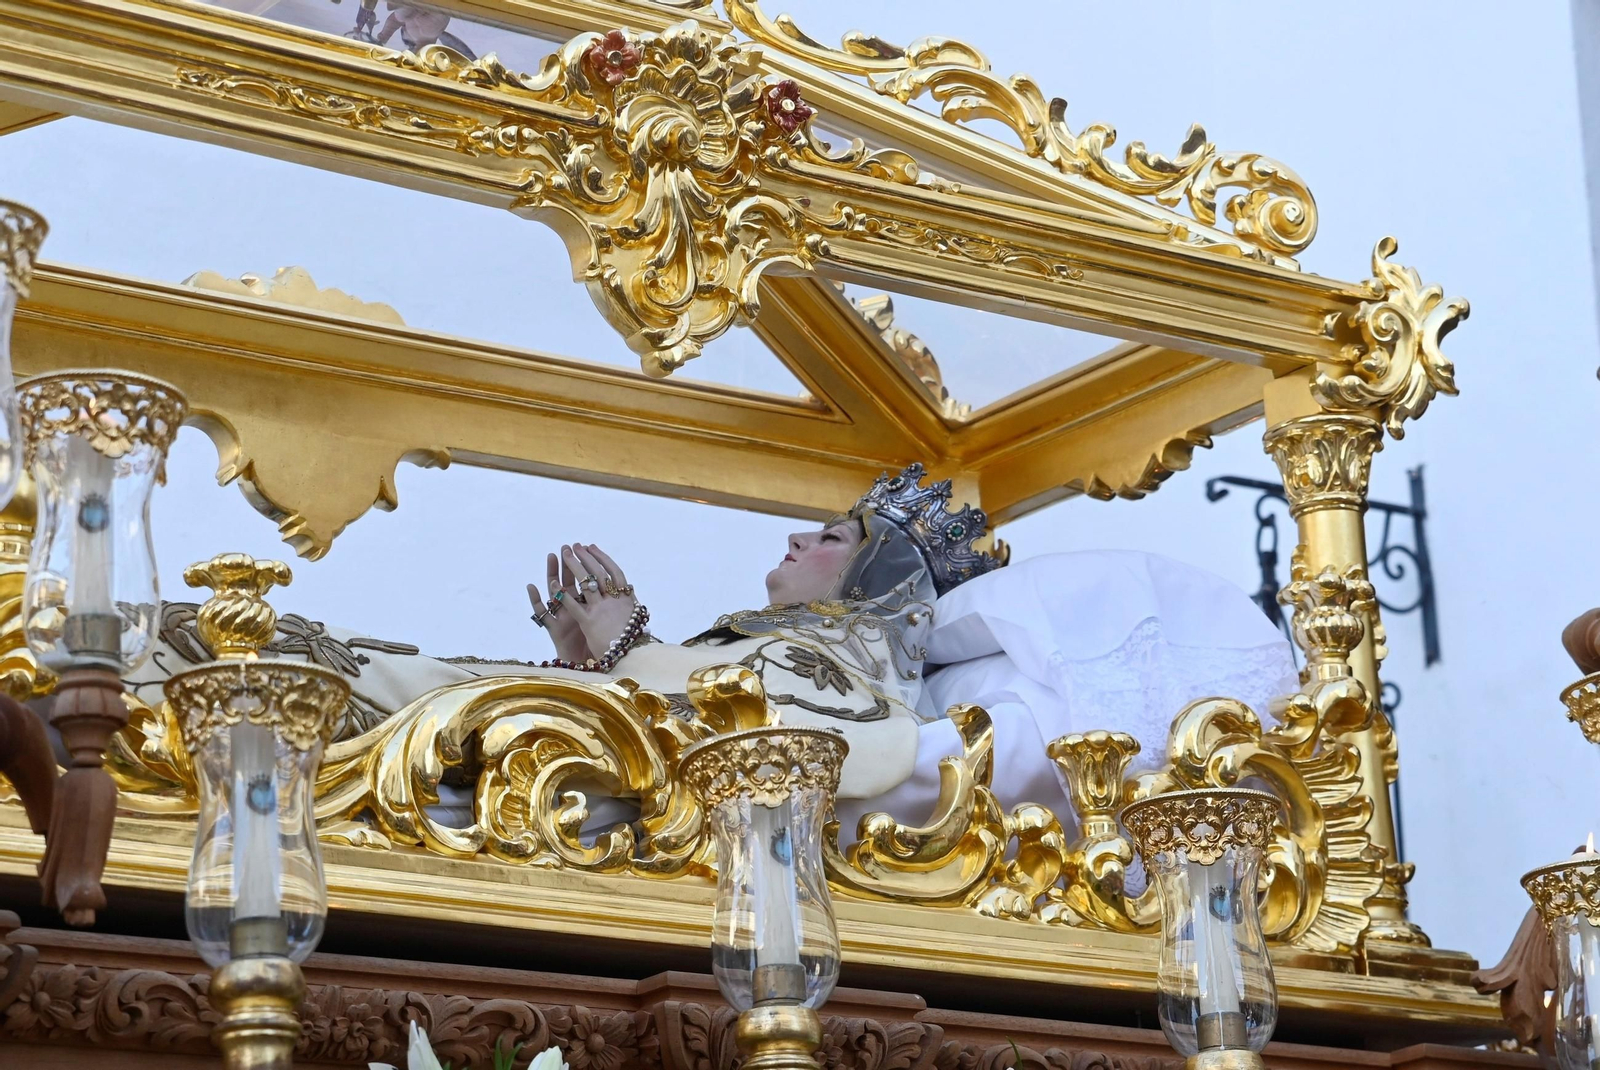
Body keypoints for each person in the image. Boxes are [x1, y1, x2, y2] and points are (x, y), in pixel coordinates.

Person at [126, 464, 1296, 831]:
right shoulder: (796, 642)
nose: (795, 536)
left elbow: (823, 744)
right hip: (487, 732)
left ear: (881, 576)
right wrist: (599, 663)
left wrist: (622, 653)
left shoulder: (858, 657)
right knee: (270, 655)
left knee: (278, 671)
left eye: (833, 533)